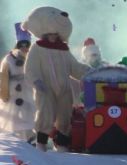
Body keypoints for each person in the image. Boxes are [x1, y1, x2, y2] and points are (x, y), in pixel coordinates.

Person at [22, 7, 90, 152]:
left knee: (64, 117)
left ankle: (62, 145)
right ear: (45, 33)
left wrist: (89, 73)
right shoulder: (38, 48)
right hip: (45, 88)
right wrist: (37, 82)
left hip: (64, 90)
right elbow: (30, 68)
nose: (53, 37)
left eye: (55, 34)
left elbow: (74, 67)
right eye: (50, 34)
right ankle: (41, 144)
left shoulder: (63, 49)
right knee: (45, 116)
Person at [0, 23, 36, 143]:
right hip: (13, 91)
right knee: (12, 115)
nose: (24, 47)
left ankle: (29, 137)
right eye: (22, 45)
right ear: (18, 45)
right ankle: (14, 138)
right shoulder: (9, 59)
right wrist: (4, 94)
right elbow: (3, 76)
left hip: (28, 90)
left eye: (27, 45)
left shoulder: (32, 58)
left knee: (28, 111)